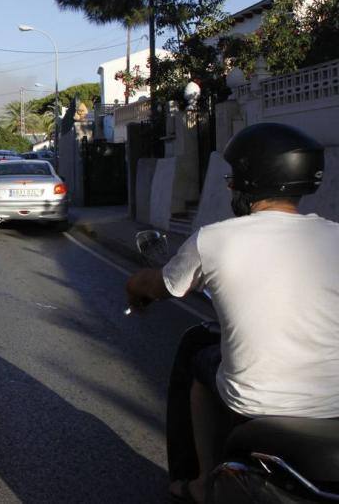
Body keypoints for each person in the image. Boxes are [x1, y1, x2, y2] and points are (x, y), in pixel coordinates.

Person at [125, 122, 339, 503]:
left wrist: (135, 288)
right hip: (332, 406)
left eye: (234, 176)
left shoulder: (214, 240)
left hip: (256, 403)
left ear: (249, 181)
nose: (229, 185)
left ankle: (201, 481)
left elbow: (160, 285)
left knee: (199, 356)